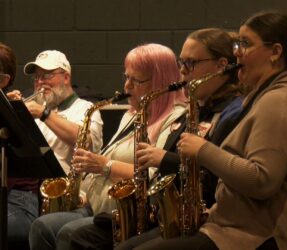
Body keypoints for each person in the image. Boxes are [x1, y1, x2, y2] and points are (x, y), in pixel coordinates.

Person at [116, 11, 287, 250]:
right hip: (228, 226)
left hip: (252, 237)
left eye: (245, 44)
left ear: (275, 52)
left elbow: (262, 180)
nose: (236, 52)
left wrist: (203, 150)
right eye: (237, 43)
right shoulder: (263, 97)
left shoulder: (279, 102)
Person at [68, 28, 243, 250]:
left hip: (208, 220)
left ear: (221, 66)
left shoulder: (230, 113)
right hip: (169, 212)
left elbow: (214, 175)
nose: (183, 72)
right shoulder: (198, 110)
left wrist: (163, 159)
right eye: (181, 63)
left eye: (191, 63)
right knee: (83, 236)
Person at [29, 43, 187, 250]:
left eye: (135, 80)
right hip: (96, 204)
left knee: (69, 233)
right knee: (41, 226)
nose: (126, 87)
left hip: (128, 212)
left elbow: (154, 176)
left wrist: (105, 165)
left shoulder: (175, 119)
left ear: (160, 82)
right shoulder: (131, 116)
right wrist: (82, 190)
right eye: (126, 78)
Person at [5, 49, 103, 250]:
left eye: (48, 75)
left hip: (72, 200)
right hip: (32, 196)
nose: (41, 82)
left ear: (66, 77)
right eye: (37, 77)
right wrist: (12, 109)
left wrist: (43, 113)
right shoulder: (37, 112)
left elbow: (84, 140)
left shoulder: (86, 108)